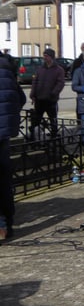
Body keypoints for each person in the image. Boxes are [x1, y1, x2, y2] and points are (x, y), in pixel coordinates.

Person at [0, 51, 26, 240]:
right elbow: (20, 98)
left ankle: (1, 226)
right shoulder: (6, 67)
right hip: (4, 133)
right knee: (4, 180)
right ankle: (8, 223)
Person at [29, 48, 65, 140]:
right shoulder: (40, 69)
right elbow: (35, 82)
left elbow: (60, 83)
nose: (44, 58)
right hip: (39, 99)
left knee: (53, 120)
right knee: (36, 120)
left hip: (51, 100)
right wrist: (32, 94)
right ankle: (34, 138)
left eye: (46, 56)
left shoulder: (58, 70)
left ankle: (54, 138)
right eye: (44, 56)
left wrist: (53, 93)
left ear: (51, 57)